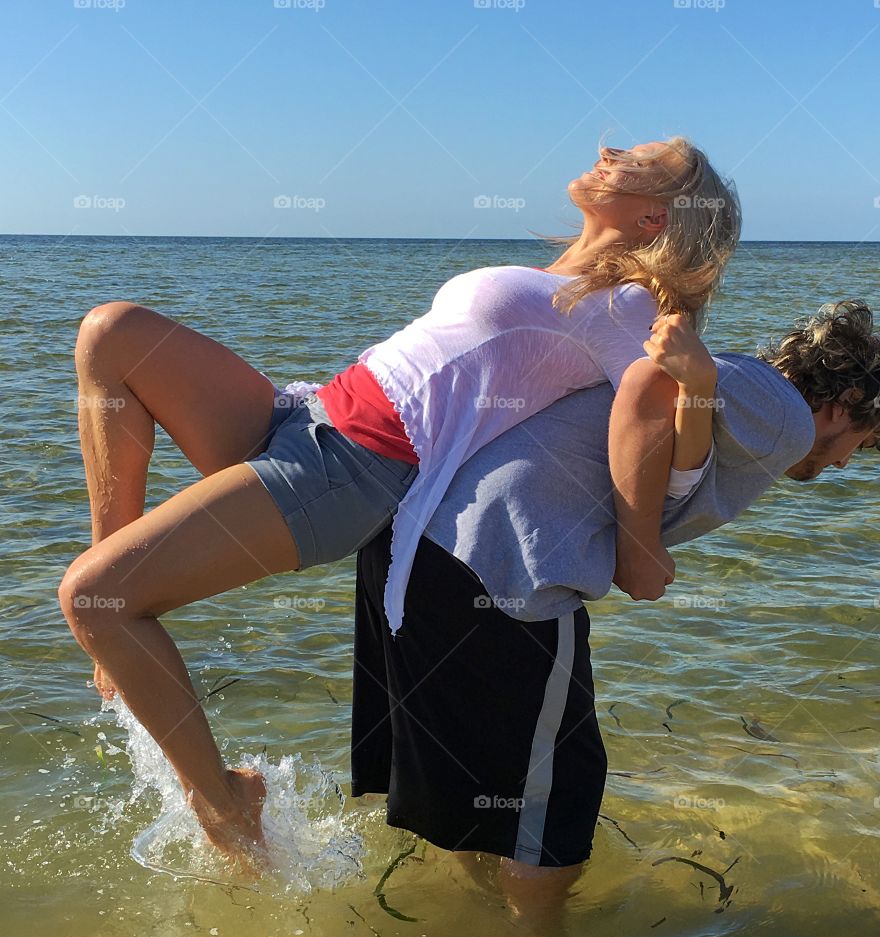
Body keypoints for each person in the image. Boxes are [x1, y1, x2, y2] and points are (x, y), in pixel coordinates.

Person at [58, 137, 739, 858]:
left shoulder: (628, 307)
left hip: (352, 467)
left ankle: (225, 805)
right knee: (111, 332)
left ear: (656, 218)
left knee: (94, 596)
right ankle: (116, 611)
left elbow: (662, 434)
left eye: (642, 158)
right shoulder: (559, 278)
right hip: (307, 413)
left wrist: (694, 397)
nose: (608, 148)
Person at [349, 301, 880, 926]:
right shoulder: (781, 409)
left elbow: (666, 408)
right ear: (846, 401)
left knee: (477, 778)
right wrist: (640, 547)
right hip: (504, 559)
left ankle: (477, 934)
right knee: (560, 799)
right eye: (864, 441)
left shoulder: (742, 398)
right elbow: (649, 381)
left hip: (415, 547)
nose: (846, 461)